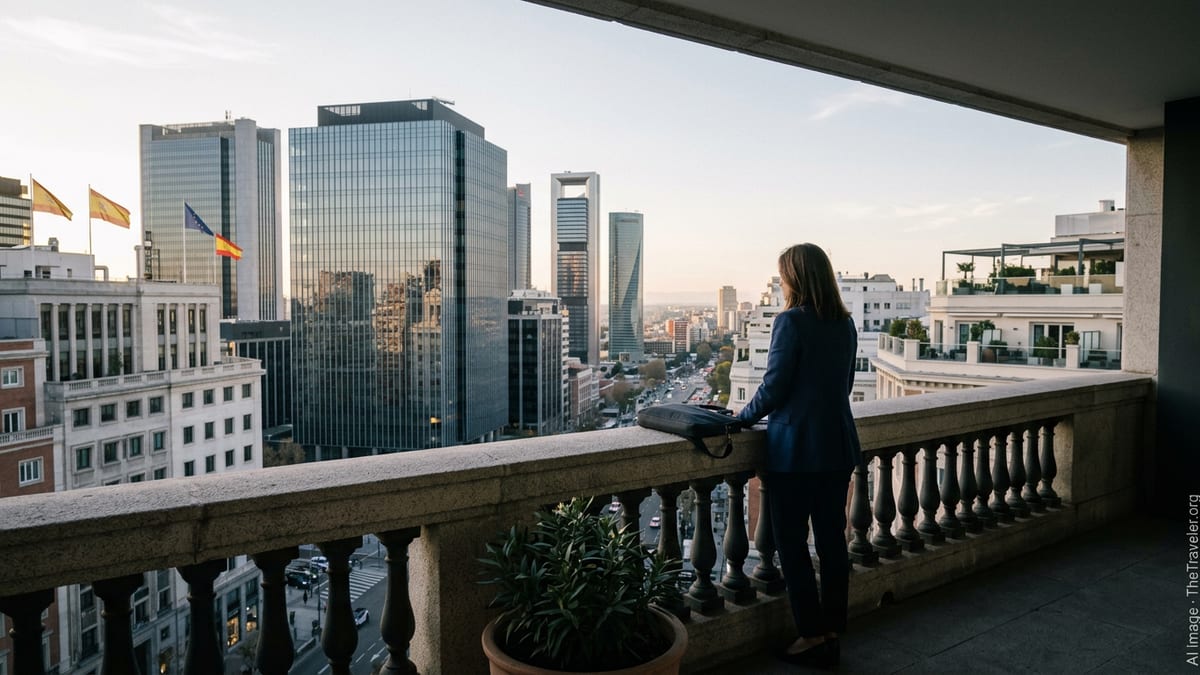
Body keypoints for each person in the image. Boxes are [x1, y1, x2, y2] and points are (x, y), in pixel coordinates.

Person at [735, 243, 862, 669]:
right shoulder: (845, 324)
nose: (781, 282)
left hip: (796, 453)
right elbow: (843, 386)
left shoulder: (790, 322)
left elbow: (774, 387)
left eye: (784, 274)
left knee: (791, 543)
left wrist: (740, 418)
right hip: (838, 445)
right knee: (832, 541)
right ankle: (833, 630)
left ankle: (811, 635)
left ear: (795, 278)